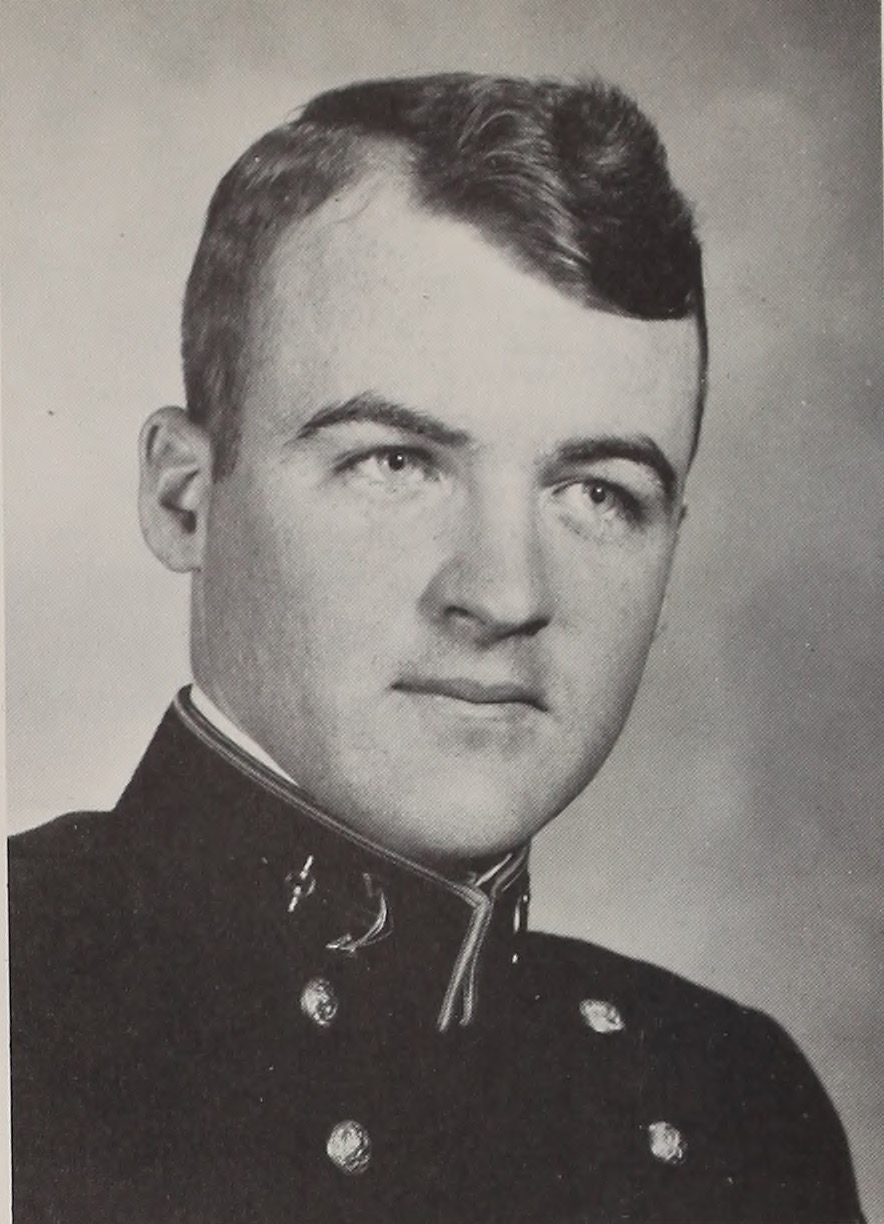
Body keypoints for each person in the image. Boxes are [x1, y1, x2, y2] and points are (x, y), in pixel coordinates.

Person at [8, 73, 865, 1224]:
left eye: (597, 492)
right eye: (396, 462)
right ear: (183, 498)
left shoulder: (735, 1109)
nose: (503, 595)